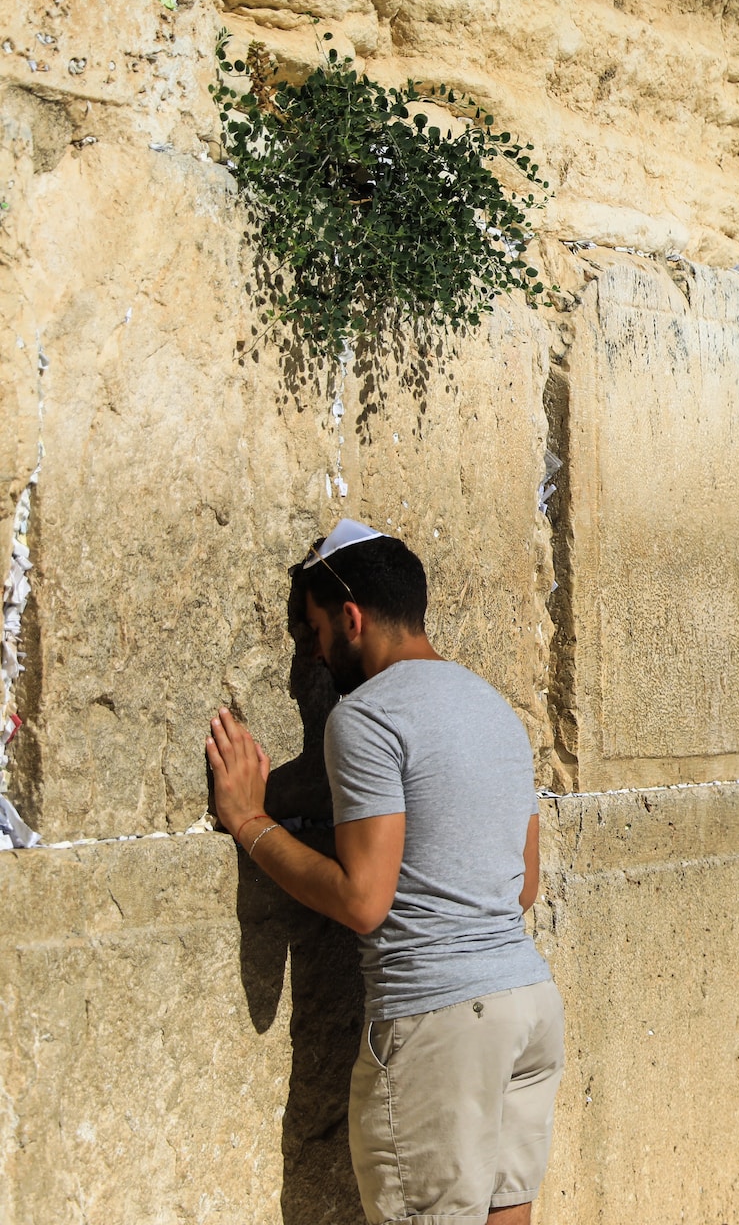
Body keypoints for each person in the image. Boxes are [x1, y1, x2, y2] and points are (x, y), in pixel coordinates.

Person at [204, 519, 564, 1225]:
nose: (306, 659)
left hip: (440, 1025)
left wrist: (249, 821)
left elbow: (364, 900)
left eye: (311, 634)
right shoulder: (495, 711)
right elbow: (524, 886)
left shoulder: (366, 717)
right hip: (527, 1004)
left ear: (352, 617)